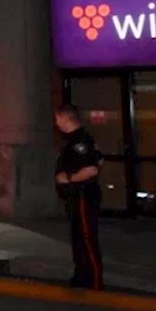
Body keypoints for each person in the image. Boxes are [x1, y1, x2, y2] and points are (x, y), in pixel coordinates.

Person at [54, 103, 104, 290]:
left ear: (66, 118)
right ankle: (81, 275)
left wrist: (69, 178)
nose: (56, 122)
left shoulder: (80, 141)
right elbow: (100, 159)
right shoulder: (74, 140)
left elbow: (92, 168)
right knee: (78, 237)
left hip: (83, 195)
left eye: (57, 118)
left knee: (86, 237)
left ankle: (94, 279)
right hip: (75, 197)